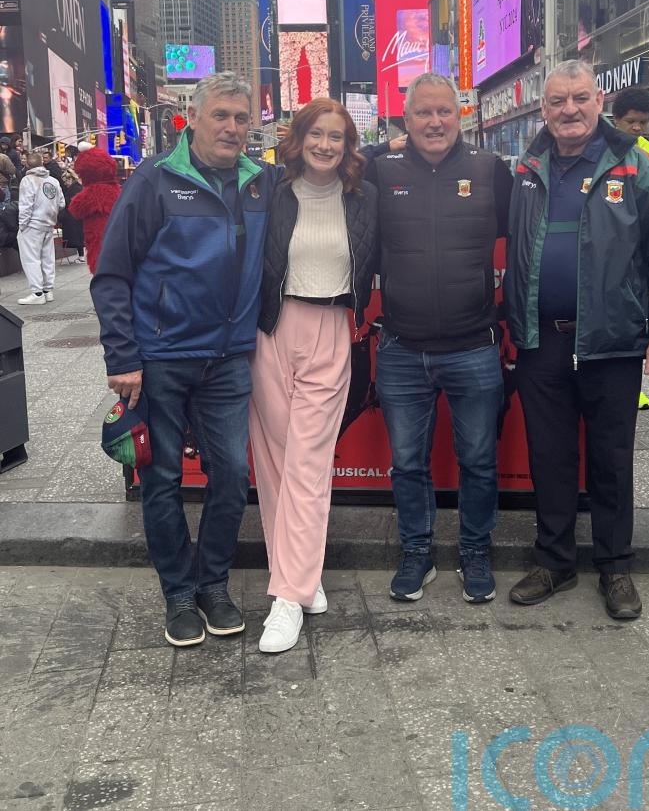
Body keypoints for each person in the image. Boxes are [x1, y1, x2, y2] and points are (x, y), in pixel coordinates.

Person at [91, 72, 281, 648]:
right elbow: (112, 275)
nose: (231, 127)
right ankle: (178, 591)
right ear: (190, 118)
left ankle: (212, 583)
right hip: (161, 360)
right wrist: (123, 357)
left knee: (232, 477)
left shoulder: (260, 183)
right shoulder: (154, 181)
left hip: (227, 360)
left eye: (241, 118)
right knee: (163, 478)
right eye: (220, 115)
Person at [503, 60, 649, 620]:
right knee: (550, 456)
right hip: (541, 342)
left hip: (612, 341)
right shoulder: (526, 165)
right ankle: (555, 560)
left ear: (599, 99)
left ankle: (615, 565)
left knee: (611, 458)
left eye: (579, 98)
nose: (569, 110)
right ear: (543, 109)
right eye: (557, 101)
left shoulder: (636, 164)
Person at [369, 72, 514, 604]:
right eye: (423, 113)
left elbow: (526, 241)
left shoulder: (490, 170)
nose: (435, 122)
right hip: (401, 348)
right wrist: (380, 144)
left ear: (462, 115)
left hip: (474, 346)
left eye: (444, 112)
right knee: (408, 462)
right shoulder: (380, 172)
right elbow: (333, 164)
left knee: (477, 460)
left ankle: (475, 551)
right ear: (404, 123)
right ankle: (417, 551)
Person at [250, 99, 378, 653]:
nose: (326, 145)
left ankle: (286, 598)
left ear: (349, 146)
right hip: (271, 331)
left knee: (308, 462)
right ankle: (304, 576)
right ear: (297, 138)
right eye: (316, 134)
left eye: (338, 136)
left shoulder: (365, 197)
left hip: (330, 330)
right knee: (276, 462)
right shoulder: (269, 192)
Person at [610, 88, 649, 411]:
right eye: (631, 122)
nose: (638, 128)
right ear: (616, 120)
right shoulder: (605, 152)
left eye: (643, 122)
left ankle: (637, 386)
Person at [16, 151, 65, 306]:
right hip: (48, 224)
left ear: (27, 164)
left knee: (31, 258)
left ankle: (37, 292)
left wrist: (22, 225)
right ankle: (47, 290)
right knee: (47, 258)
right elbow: (62, 203)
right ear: (42, 163)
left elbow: (25, 205)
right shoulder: (53, 181)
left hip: (32, 224)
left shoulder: (27, 180)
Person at [68, 147, 121, 273]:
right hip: (118, 237)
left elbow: (75, 209)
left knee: (100, 269)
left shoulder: (91, 192)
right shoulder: (117, 190)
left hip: (97, 237)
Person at [60, 168, 85, 262]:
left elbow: (70, 202)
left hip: (74, 218)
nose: (65, 184)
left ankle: (81, 257)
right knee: (78, 237)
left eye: (65, 181)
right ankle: (81, 256)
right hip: (76, 217)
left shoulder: (74, 189)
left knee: (77, 237)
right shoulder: (77, 187)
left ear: (70, 179)